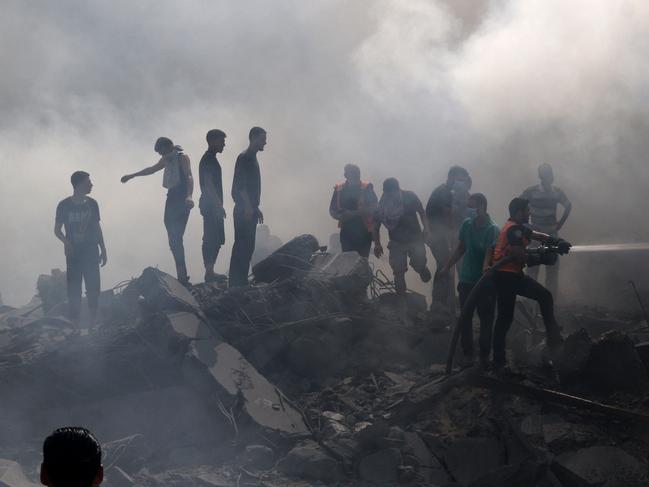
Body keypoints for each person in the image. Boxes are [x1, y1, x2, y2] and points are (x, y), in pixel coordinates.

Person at [491, 197, 570, 370]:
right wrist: (542, 258)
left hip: (513, 275)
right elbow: (519, 256)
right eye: (527, 210)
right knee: (505, 318)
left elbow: (537, 235)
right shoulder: (512, 231)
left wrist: (556, 242)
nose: (530, 213)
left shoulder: (518, 228)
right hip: (505, 278)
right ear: (519, 212)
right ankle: (498, 360)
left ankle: (553, 338)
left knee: (544, 296)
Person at [121, 137, 194, 284]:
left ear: (169, 147)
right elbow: (152, 169)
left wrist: (190, 196)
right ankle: (182, 275)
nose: (161, 155)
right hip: (172, 196)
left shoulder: (182, 158)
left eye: (161, 151)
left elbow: (189, 176)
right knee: (173, 237)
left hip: (182, 197)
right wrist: (132, 175)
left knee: (176, 236)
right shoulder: (167, 159)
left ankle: (182, 276)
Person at [439, 193, 499, 367]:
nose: (470, 211)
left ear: (483, 206)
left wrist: (485, 268)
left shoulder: (492, 229)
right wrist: (446, 267)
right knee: (465, 317)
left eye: (473, 207)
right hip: (466, 280)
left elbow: (490, 251)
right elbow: (461, 248)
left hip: (485, 283)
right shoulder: (467, 225)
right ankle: (468, 355)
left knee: (486, 318)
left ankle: (484, 356)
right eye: (468, 207)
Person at [55, 171, 107, 329]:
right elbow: (57, 230)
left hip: (91, 251)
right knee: (74, 289)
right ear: (78, 185)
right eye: (88, 182)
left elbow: (97, 228)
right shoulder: (64, 205)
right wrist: (66, 242)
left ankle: (92, 324)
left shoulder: (92, 203)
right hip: (73, 254)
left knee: (93, 287)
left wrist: (103, 249)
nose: (91, 185)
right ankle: (75, 326)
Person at [373, 178, 432, 296]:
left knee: (418, 263)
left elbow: (422, 212)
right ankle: (402, 302)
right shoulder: (382, 204)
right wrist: (377, 244)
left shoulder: (409, 196)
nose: (390, 195)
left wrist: (426, 228)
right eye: (387, 193)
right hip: (396, 242)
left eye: (392, 192)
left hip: (415, 239)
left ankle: (421, 268)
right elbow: (376, 226)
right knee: (398, 272)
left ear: (397, 189)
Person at [520, 163, 572, 296]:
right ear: (540, 176)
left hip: (552, 238)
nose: (549, 176)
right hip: (535, 237)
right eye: (546, 173)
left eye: (549, 173)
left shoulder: (557, 192)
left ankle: (550, 302)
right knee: (532, 271)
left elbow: (568, 205)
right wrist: (525, 225)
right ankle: (530, 303)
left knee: (552, 271)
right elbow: (518, 205)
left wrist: (560, 223)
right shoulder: (531, 191)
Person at [425, 166, 471, 308]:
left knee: (459, 268)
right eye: (459, 180)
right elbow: (445, 217)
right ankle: (439, 305)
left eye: (463, 181)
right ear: (451, 178)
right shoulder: (441, 193)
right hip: (438, 236)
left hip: (454, 237)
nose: (461, 184)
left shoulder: (460, 195)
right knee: (445, 266)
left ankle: (457, 303)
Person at [228, 127, 267, 287]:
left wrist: (255, 207)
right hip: (244, 209)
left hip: (248, 208)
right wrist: (249, 207)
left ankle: (240, 281)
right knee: (242, 246)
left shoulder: (252, 158)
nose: (265, 142)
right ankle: (236, 283)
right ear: (254, 138)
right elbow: (241, 186)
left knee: (247, 245)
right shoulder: (245, 157)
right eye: (263, 138)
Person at [329, 164, 378, 258]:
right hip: (346, 231)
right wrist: (341, 216)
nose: (356, 175)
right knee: (348, 260)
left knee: (362, 260)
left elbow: (375, 208)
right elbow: (332, 210)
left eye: (357, 173)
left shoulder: (366, 188)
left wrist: (354, 214)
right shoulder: (339, 189)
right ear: (346, 175)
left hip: (364, 230)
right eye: (353, 173)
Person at [199, 129, 227, 282]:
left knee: (217, 238)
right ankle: (209, 272)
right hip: (210, 204)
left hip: (212, 204)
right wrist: (218, 205)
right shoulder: (208, 159)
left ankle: (210, 270)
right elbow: (208, 185)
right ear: (212, 141)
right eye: (221, 141)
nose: (224, 144)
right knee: (211, 237)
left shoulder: (211, 158)